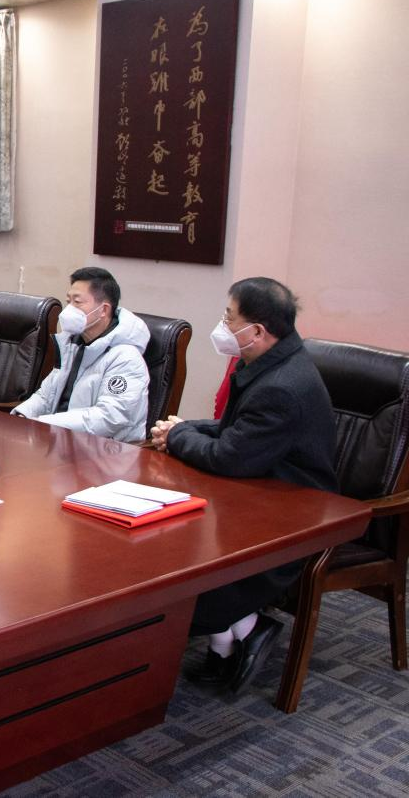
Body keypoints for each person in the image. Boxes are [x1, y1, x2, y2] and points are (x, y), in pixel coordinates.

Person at [151, 277, 337, 694]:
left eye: (229, 317)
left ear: (257, 331)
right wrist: (182, 429)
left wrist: (179, 437)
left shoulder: (283, 386)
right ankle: (235, 638)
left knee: (183, 568)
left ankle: (243, 631)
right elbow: (236, 429)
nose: (223, 324)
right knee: (167, 537)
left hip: (291, 509)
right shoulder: (268, 361)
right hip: (257, 486)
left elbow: (228, 457)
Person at [12, 267, 150, 442]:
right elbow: (46, 397)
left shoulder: (126, 358)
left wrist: (43, 424)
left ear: (103, 310)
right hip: (60, 441)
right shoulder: (71, 344)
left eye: (77, 302)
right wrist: (21, 417)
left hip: (104, 451)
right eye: (68, 301)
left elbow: (110, 417)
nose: (69, 309)